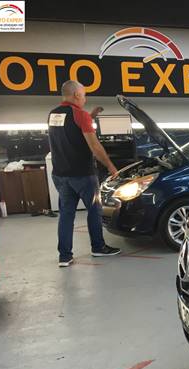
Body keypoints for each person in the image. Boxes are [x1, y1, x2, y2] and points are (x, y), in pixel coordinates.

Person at [48, 80, 121, 267]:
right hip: (82, 175)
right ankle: (98, 247)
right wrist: (111, 167)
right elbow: (95, 147)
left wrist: (91, 116)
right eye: (84, 95)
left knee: (66, 215)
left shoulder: (53, 114)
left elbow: (70, 130)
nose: (85, 99)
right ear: (76, 95)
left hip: (60, 175)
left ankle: (64, 256)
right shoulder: (80, 115)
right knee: (95, 210)